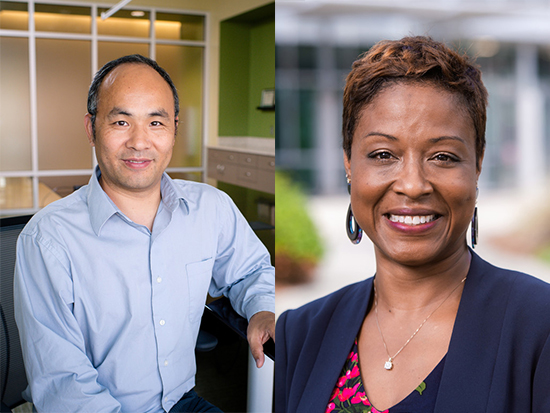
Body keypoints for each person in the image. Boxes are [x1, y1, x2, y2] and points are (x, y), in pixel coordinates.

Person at [275, 36, 550, 413]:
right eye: (383, 154)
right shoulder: (300, 335)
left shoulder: (539, 326)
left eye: (442, 156)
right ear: (349, 165)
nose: (412, 185)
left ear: (478, 164)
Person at [14, 54, 275, 413]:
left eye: (156, 122)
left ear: (174, 129)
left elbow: (252, 271)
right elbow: (64, 386)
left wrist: (265, 308)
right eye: (121, 121)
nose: (140, 142)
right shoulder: (47, 239)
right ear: (91, 129)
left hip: (183, 402)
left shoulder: (210, 208)